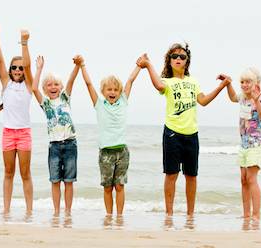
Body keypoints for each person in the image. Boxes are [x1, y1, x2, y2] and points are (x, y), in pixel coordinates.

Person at [136, 43, 231, 217]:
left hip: (191, 134)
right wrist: (148, 65)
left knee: (191, 176)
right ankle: (169, 214)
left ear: (187, 61)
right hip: (172, 133)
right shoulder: (167, 82)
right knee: (172, 174)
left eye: (182, 56)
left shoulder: (193, 81)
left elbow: (203, 101)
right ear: (169, 61)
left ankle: (190, 215)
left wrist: (221, 86)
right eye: (174, 56)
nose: (178, 59)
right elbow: (158, 85)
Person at [79, 56, 141, 216]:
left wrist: (139, 66)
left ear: (120, 92)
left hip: (122, 151)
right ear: (103, 92)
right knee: (107, 187)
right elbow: (88, 84)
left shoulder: (124, 101)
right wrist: (82, 65)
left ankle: (119, 216)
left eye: (115, 90)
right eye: (109, 89)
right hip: (106, 152)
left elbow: (130, 81)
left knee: (120, 186)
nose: (112, 92)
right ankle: (109, 215)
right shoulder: (99, 104)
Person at [31, 55, 82, 216]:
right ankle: (56, 211)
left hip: (70, 144)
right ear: (45, 89)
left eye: (56, 84)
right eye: (49, 85)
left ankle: (67, 212)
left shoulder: (65, 98)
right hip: (54, 146)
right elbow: (33, 88)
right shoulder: (45, 104)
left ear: (60, 87)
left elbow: (71, 81)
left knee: (68, 181)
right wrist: (39, 69)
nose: (53, 87)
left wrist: (77, 66)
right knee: (55, 181)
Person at [0, 28, 34, 214]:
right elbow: (0, 60)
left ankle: (29, 210)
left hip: (24, 133)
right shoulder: (6, 84)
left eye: (20, 68)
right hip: (8, 133)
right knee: (8, 173)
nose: (17, 70)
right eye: (14, 67)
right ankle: (6, 209)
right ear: (10, 70)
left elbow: (28, 66)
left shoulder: (28, 85)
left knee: (25, 174)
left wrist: (24, 42)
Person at [225, 67, 261, 220]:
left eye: (248, 82)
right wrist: (228, 84)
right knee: (243, 179)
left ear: (255, 83)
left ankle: (256, 215)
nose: (244, 85)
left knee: (251, 179)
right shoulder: (242, 97)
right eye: (242, 82)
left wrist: (256, 100)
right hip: (243, 144)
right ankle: (246, 215)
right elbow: (232, 98)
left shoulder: (260, 98)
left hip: (255, 144)